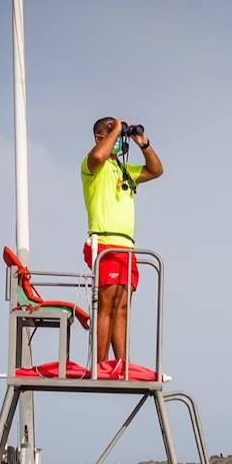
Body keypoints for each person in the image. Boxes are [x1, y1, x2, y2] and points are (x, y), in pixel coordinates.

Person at [82, 116, 163, 364]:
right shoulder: (92, 165)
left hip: (126, 247)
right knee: (106, 305)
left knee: (122, 307)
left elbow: (156, 170)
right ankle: (101, 364)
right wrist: (116, 128)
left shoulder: (124, 169)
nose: (116, 135)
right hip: (104, 243)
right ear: (98, 136)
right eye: (108, 130)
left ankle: (120, 364)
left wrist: (143, 143)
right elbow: (98, 156)